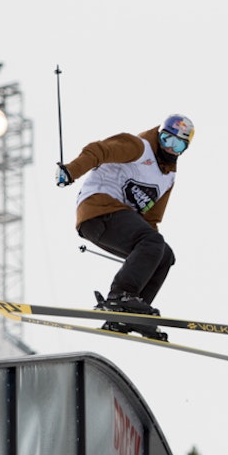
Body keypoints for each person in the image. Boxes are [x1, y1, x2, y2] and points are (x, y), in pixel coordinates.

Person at [56, 114, 195, 340]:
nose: (169, 148)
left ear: (184, 149)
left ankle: (130, 316)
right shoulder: (138, 147)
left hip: (117, 219)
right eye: (166, 139)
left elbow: (150, 220)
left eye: (177, 145)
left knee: (164, 255)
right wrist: (71, 170)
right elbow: (98, 150)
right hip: (98, 209)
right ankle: (120, 296)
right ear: (159, 133)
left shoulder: (167, 178)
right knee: (153, 243)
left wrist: (150, 257)